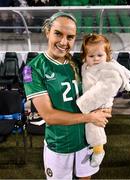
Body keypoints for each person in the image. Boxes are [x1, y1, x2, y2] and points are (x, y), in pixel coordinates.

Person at [23, 12, 112, 180]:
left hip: (86, 140)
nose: (64, 42)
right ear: (48, 31)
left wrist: (106, 104)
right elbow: (49, 116)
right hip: (60, 144)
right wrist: (90, 117)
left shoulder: (79, 63)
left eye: (70, 37)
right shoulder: (32, 69)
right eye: (58, 33)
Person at [76, 33, 130, 167]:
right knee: (89, 125)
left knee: (93, 126)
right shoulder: (87, 66)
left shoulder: (110, 70)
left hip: (99, 103)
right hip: (93, 101)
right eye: (91, 56)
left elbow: (104, 89)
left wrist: (82, 104)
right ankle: (92, 147)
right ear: (85, 57)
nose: (96, 59)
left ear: (107, 55)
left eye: (100, 55)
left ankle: (98, 150)